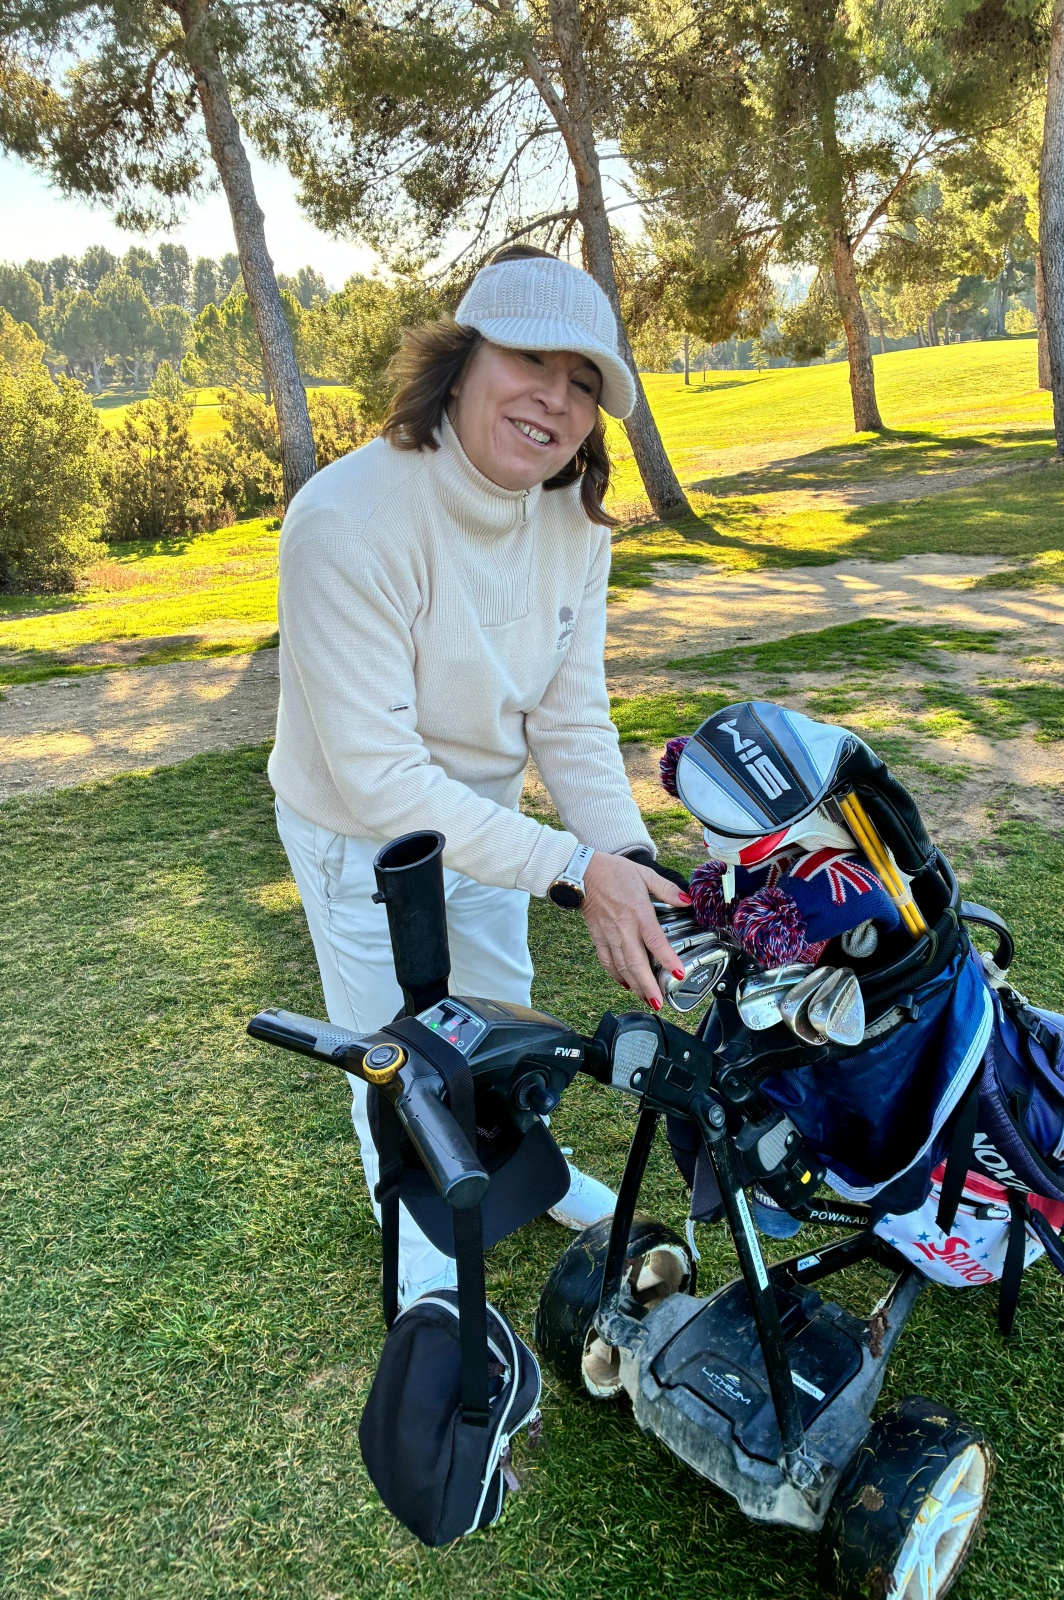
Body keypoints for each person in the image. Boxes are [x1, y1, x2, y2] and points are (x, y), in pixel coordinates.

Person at [270, 245, 690, 1306]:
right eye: (530, 360)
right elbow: (379, 778)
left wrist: (626, 862)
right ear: (459, 362)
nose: (555, 398)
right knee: (396, 1049)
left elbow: (568, 713)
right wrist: (575, 871)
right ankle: (416, 1233)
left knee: (500, 1018)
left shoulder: (572, 521)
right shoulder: (344, 517)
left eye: (584, 383)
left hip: (489, 820)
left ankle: (529, 1171)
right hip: (357, 833)